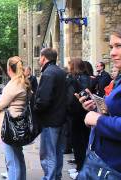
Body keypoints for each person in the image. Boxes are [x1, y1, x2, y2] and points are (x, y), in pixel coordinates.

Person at [76, 27, 121, 179]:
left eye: (119, 46)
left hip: (113, 167)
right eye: (111, 47)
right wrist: (95, 107)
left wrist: (97, 119)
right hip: (101, 159)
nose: (112, 53)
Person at [0, 56, 30, 180]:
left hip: (10, 125)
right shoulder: (22, 81)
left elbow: (0, 105)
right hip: (18, 122)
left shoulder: (14, 83)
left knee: (12, 160)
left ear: (9, 68)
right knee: (18, 156)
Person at [33, 48, 67, 180]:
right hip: (60, 118)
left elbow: (44, 100)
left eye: (40, 57)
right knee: (57, 151)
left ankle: (49, 177)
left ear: (44, 57)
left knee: (48, 153)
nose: (39, 60)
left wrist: (35, 108)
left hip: (50, 120)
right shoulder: (60, 72)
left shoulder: (48, 73)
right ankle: (56, 176)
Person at [66, 58, 91, 179]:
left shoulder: (82, 78)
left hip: (80, 115)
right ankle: (79, 166)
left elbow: (83, 93)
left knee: (80, 143)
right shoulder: (78, 78)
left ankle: (81, 168)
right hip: (76, 114)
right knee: (77, 142)